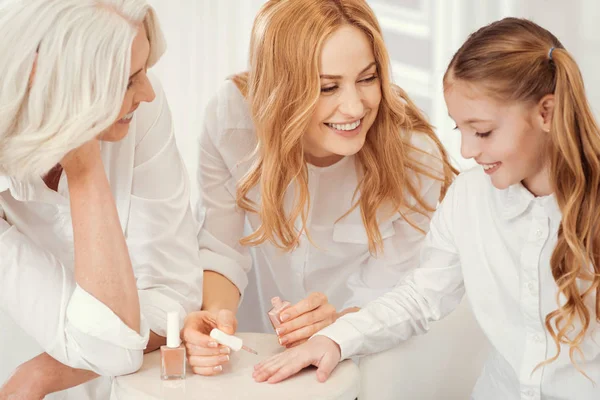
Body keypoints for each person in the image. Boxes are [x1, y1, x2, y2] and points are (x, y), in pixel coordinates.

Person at [252, 17, 600, 400]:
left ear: (546, 113)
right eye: (459, 130)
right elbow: (421, 296)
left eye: (482, 131)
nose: (467, 151)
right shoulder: (469, 197)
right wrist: (334, 340)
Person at [182, 0, 455, 376]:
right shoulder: (233, 121)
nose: (355, 107)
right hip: (251, 355)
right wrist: (215, 319)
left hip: (358, 360)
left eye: (367, 78)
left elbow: (397, 293)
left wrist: (339, 324)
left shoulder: (413, 156)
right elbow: (221, 247)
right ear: (282, 91)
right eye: (328, 87)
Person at [0, 1, 202, 399]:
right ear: (52, 88)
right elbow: (115, 346)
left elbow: (175, 298)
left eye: (143, 73)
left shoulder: (141, 110)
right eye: (126, 82)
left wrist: (39, 375)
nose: (145, 93)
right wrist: (84, 163)